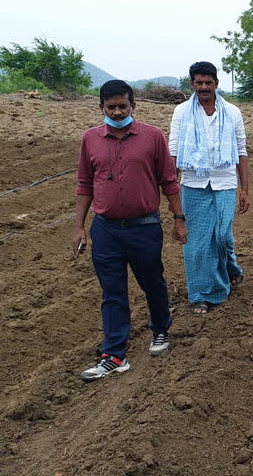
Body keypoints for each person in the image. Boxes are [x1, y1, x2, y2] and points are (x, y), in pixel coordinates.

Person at [73, 80, 187, 381]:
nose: (118, 111)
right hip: (106, 230)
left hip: (144, 227)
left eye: (123, 105)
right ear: (101, 108)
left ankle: (161, 329)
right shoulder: (91, 139)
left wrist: (179, 218)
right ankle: (114, 354)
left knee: (152, 283)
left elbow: (169, 182)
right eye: (111, 107)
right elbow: (85, 184)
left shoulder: (152, 137)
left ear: (133, 105)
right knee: (112, 292)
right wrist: (79, 227)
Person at [168, 61, 249, 315]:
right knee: (199, 242)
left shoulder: (232, 112)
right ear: (192, 84)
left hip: (225, 182)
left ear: (216, 83)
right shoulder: (181, 112)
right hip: (193, 183)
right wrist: (172, 191)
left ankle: (231, 268)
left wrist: (245, 189)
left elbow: (241, 151)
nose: (204, 87)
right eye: (199, 83)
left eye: (208, 82)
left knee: (223, 236)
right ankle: (203, 294)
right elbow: (174, 150)